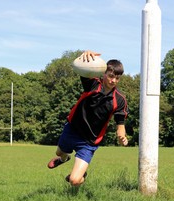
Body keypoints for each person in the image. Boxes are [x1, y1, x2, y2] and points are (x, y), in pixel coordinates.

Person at [47, 50, 129, 187]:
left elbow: (120, 125)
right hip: (72, 129)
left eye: (117, 78)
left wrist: (122, 138)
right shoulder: (92, 85)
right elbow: (80, 65)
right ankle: (64, 159)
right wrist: (85, 55)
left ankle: (81, 175)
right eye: (111, 76)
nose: (113, 80)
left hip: (90, 141)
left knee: (74, 180)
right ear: (104, 73)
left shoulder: (120, 100)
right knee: (59, 152)